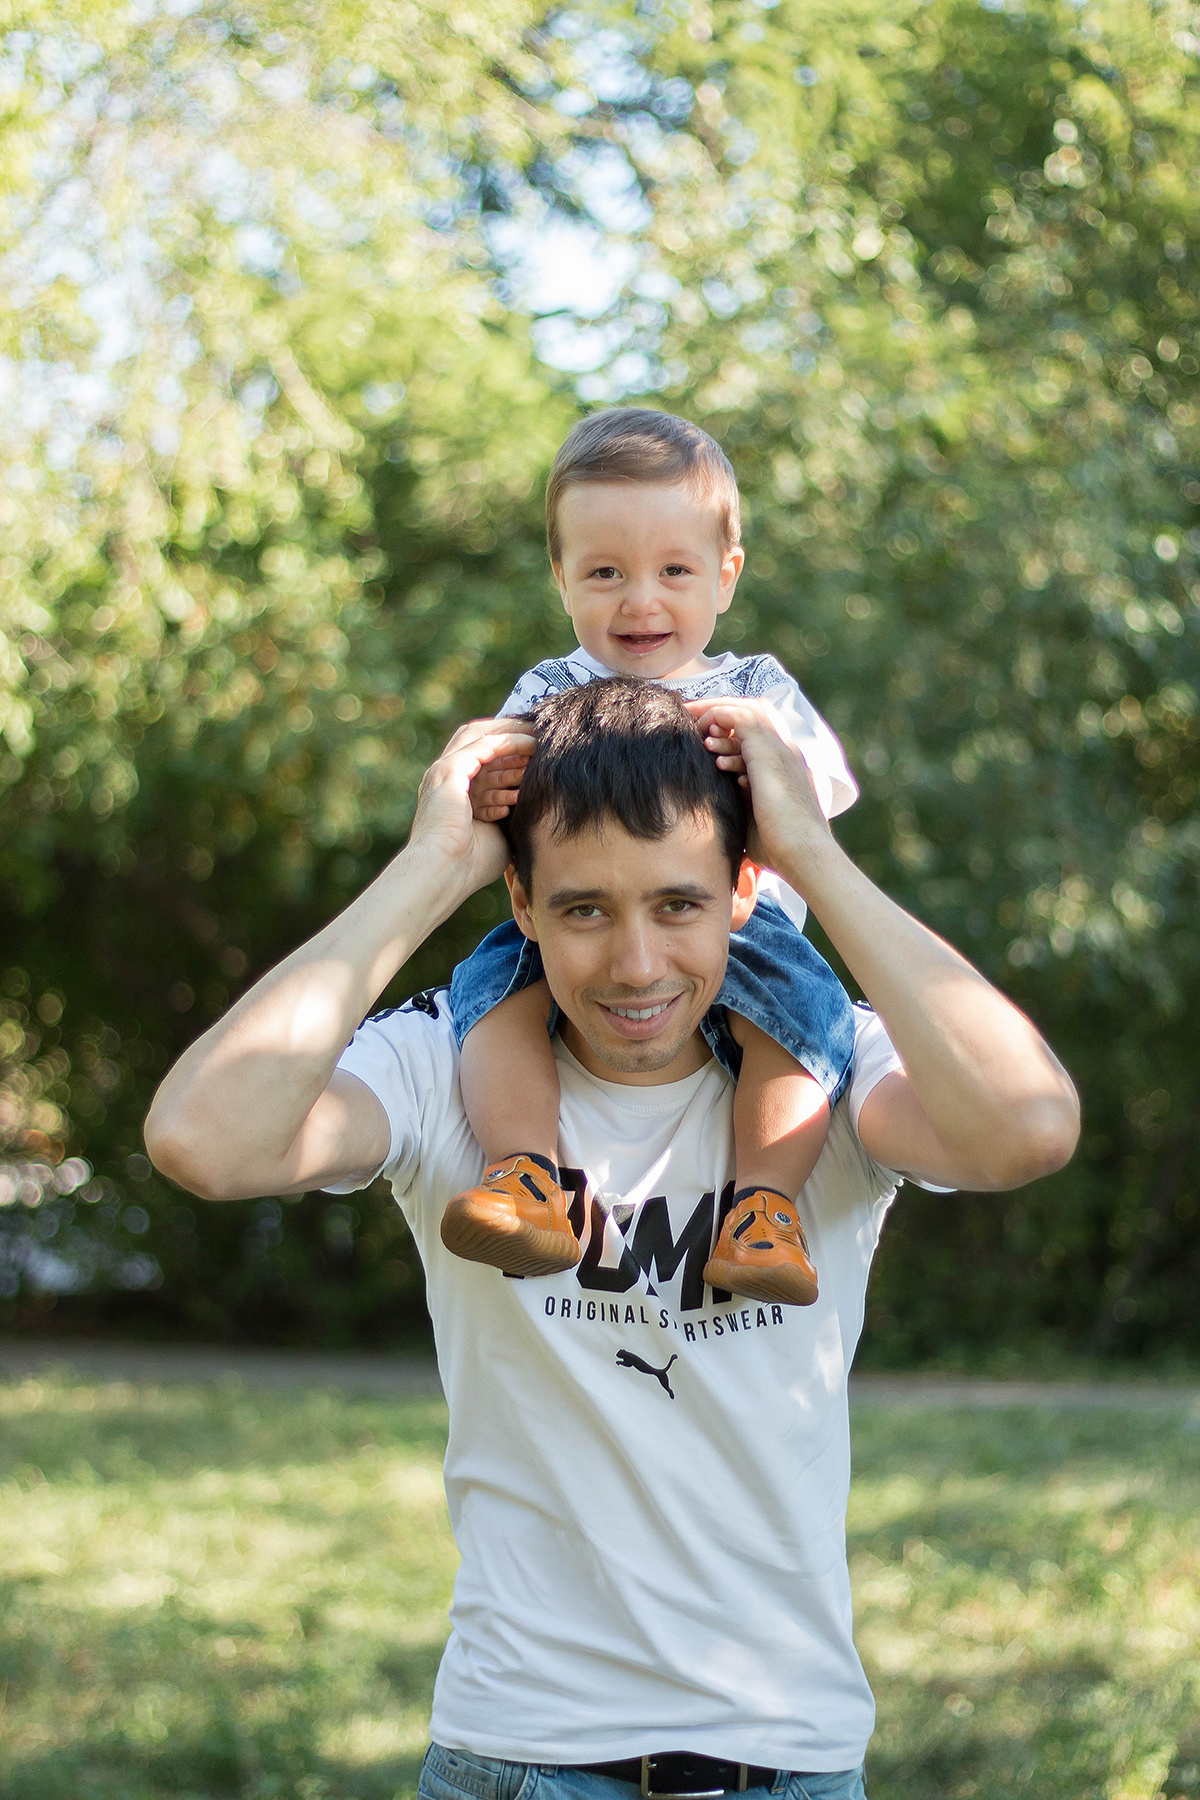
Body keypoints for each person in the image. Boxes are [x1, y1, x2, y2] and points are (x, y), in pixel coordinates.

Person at [144, 679, 1079, 1800]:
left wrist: (817, 859)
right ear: (522, 907)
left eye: (678, 905)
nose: (637, 966)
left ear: (743, 890)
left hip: (788, 1756)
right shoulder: (451, 1068)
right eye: (585, 909)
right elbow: (205, 1141)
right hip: (520, 1755)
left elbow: (1028, 1128)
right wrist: (424, 872)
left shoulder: (830, 1073)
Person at [445, 408, 862, 1310]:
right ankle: (525, 1177)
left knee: (803, 1018)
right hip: (581, 920)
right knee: (488, 994)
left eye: (674, 570)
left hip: (737, 924)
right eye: (605, 572)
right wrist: (483, 785)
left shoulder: (753, 688)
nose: (641, 601)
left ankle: (764, 1209)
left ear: (726, 575)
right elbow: (501, 786)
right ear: (561, 580)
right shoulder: (551, 690)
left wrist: (773, 763)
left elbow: (820, 794)